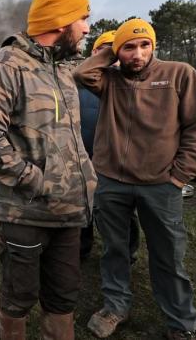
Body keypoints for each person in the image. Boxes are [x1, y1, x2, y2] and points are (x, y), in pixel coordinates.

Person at [0, 0, 97, 339]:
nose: (88, 28)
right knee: (19, 296)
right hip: (24, 212)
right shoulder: (6, 65)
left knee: (63, 296)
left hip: (69, 211)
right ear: (59, 21)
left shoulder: (61, 68)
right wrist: (36, 181)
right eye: (83, 18)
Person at [74, 18, 196, 339]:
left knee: (168, 255)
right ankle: (115, 307)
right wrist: (111, 51)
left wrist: (179, 176)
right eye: (129, 47)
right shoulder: (110, 79)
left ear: (154, 45)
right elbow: (81, 73)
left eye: (144, 44)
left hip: (161, 185)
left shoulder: (179, 74)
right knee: (115, 249)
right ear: (117, 51)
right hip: (112, 182)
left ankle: (181, 321)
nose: (138, 53)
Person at [78, 31, 141, 262]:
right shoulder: (79, 83)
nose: (111, 56)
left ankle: (128, 249)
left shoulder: (131, 84)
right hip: (84, 157)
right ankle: (82, 248)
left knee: (124, 211)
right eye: (106, 49)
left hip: (119, 162)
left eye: (115, 50)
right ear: (95, 52)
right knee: (84, 207)